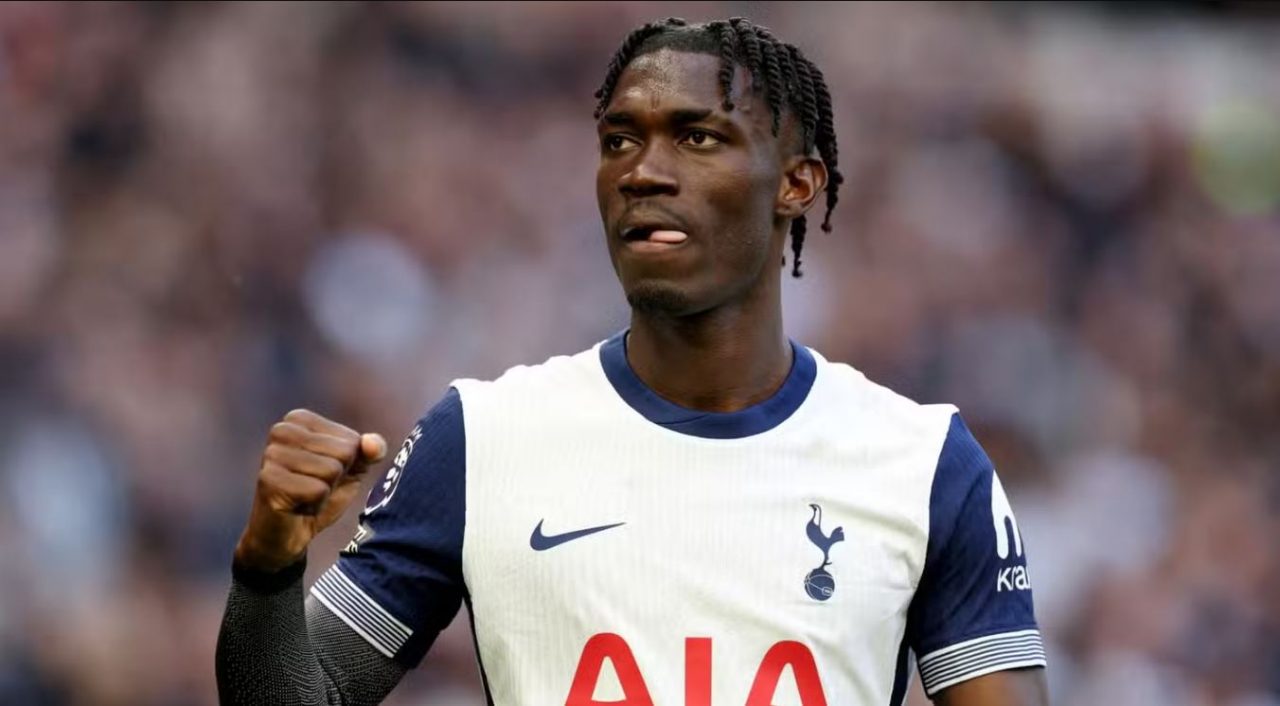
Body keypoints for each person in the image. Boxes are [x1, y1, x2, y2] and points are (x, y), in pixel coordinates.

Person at [216, 17, 1049, 706]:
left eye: (697, 137)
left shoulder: (922, 465)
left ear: (796, 184)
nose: (643, 172)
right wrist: (268, 566)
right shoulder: (483, 439)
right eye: (620, 140)